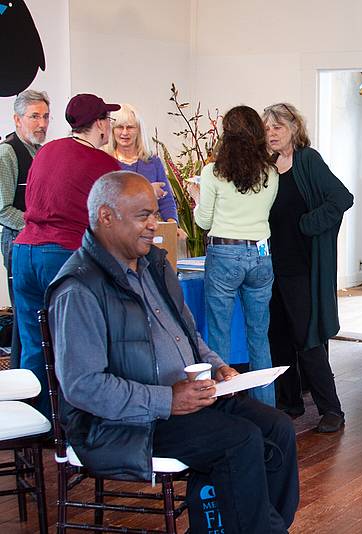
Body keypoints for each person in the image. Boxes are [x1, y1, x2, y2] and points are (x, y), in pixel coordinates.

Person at [46, 171, 299, 533]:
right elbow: (84, 387)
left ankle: (264, 526)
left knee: (277, 428)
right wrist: (167, 400)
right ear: (106, 217)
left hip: (182, 402)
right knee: (238, 441)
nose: (154, 225)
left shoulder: (153, 265)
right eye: (143, 216)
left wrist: (218, 367)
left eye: (154, 214)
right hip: (125, 421)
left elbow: (189, 336)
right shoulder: (80, 288)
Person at [13, 93, 120, 416]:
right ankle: (73, 425)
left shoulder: (47, 151)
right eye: (108, 121)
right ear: (100, 124)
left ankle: (41, 420)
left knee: (35, 343)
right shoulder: (104, 164)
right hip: (61, 253)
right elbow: (112, 217)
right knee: (72, 343)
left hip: (24, 249)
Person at [262, 102, 352, 433]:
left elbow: (341, 197)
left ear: (294, 130)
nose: (271, 134)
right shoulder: (265, 166)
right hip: (270, 267)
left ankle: (332, 410)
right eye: (267, 128)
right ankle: (289, 403)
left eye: (278, 127)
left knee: (308, 338)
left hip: (301, 266)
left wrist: (307, 224)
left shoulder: (307, 161)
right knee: (278, 337)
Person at [190, 106, 279, 406]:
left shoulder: (212, 173)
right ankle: (266, 408)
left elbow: (203, 222)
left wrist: (195, 199)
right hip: (260, 255)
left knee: (219, 335)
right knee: (259, 336)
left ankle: (223, 408)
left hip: (225, 253)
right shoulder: (271, 172)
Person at [0, 89, 49, 369]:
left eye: (45, 116)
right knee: (24, 319)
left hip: (37, 246)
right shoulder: (7, 153)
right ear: (17, 119)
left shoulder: (41, 152)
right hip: (18, 244)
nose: (41, 123)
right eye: (34, 117)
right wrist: (37, 227)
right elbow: (3, 209)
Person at [107, 103, 183, 234]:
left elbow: (166, 200)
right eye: (120, 127)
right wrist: (148, 191)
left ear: (139, 130)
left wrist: (172, 225)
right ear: (113, 130)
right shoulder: (104, 162)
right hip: (117, 235)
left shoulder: (153, 162)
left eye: (130, 127)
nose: (125, 132)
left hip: (148, 234)